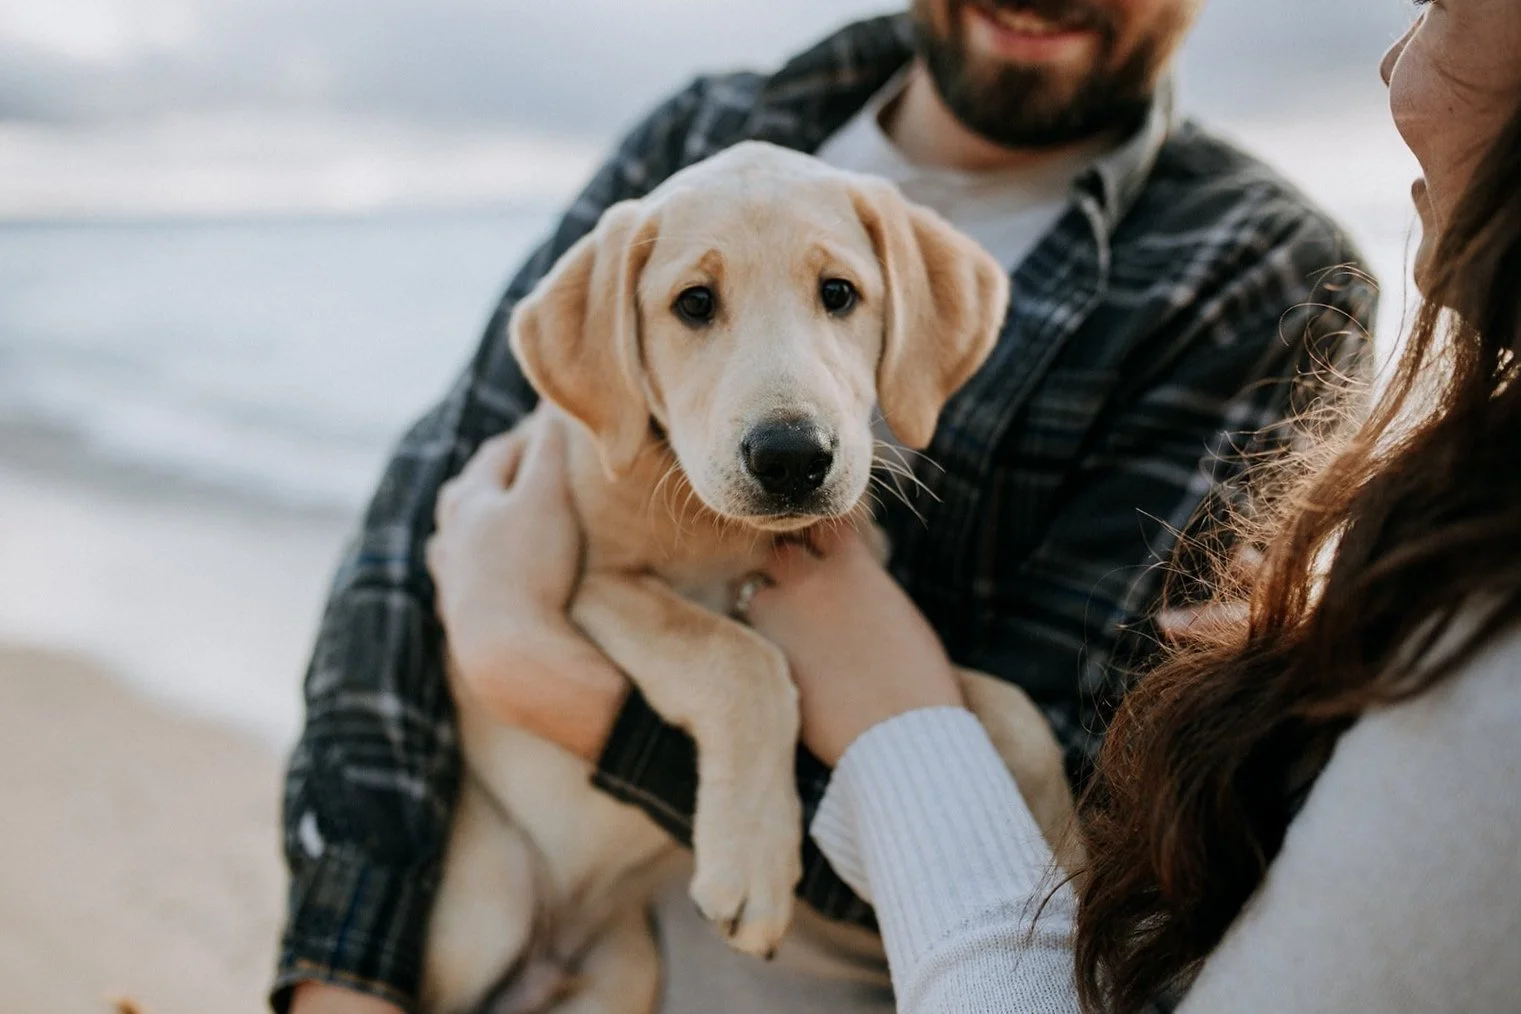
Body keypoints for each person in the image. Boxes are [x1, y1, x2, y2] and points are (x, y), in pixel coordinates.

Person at [277, 2, 1375, 1012]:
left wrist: (532, 657)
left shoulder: (1258, 276)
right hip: (520, 883)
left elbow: (1043, 836)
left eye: (838, 297)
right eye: (696, 306)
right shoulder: (706, 130)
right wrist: (345, 960)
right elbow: (409, 530)